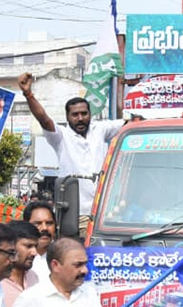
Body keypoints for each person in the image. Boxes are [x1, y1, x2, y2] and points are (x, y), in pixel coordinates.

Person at [20, 73, 125, 217]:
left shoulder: (100, 129)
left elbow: (129, 123)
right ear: (67, 117)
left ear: (90, 114)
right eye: (75, 115)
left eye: (84, 113)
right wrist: (28, 94)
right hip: (74, 215)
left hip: (104, 213)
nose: (80, 118)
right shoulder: (61, 136)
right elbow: (44, 120)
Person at [23, 200, 58, 277]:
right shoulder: (17, 258)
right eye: (38, 223)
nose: (44, 228)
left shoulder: (64, 255)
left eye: (49, 223)